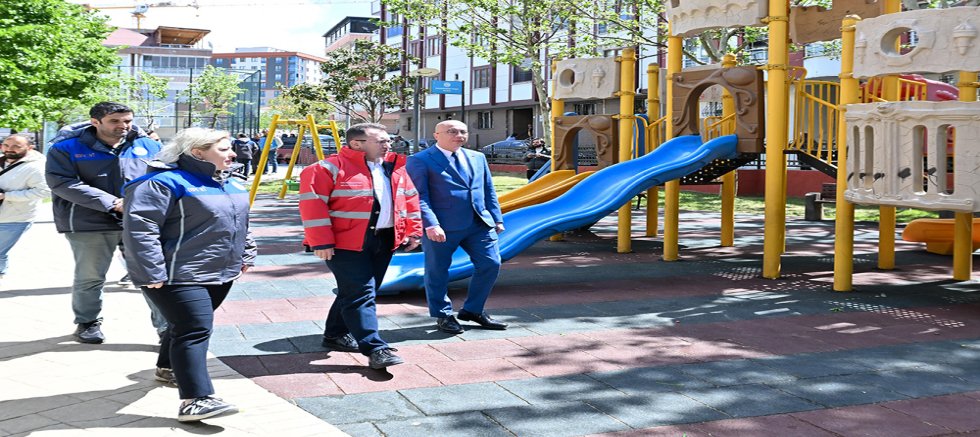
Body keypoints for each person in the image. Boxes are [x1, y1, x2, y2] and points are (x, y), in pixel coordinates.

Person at [123, 127, 255, 422]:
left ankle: (168, 368)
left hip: (220, 271)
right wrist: (150, 271)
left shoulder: (231, 183)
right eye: (224, 149)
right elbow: (140, 229)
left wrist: (247, 252)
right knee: (194, 329)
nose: (233, 154)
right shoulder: (161, 183)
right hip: (176, 274)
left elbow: (241, 222)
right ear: (197, 152)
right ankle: (196, 399)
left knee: (183, 325)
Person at [299, 123, 422, 369]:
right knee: (361, 293)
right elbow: (312, 206)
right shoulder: (326, 168)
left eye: (389, 140)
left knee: (356, 291)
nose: (388, 145)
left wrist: (414, 231)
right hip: (344, 244)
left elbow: (410, 199)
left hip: (384, 239)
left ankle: (334, 334)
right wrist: (320, 241)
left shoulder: (394, 167)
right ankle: (375, 347)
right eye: (381, 141)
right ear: (356, 144)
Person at [45, 102, 166, 344]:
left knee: (153, 276)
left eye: (128, 120)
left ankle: (166, 330)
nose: (123, 126)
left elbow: (163, 177)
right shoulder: (66, 148)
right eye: (115, 121)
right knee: (90, 277)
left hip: (139, 222)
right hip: (88, 222)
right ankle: (87, 323)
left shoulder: (150, 146)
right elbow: (61, 182)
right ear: (95, 122)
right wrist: (112, 203)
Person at [405, 120, 508, 334]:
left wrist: (497, 218)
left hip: (479, 223)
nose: (458, 135)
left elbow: (488, 189)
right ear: (436, 135)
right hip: (442, 226)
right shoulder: (419, 160)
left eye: (463, 131)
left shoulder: (477, 157)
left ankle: (473, 310)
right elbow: (419, 196)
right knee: (437, 271)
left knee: (490, 264)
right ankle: (442, 314)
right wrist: (431, 224)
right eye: (452, 131)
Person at [0, 134, 50, 279]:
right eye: (6, 145)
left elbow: (45, 191)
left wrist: (6, 196)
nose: (10, 149)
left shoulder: (37, 167)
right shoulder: (2, 160)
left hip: (14, 218)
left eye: (16, 146)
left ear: (29, 147)